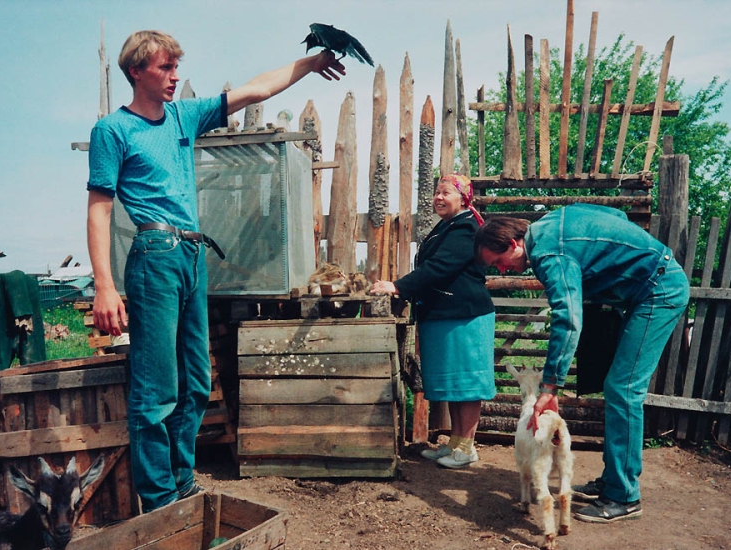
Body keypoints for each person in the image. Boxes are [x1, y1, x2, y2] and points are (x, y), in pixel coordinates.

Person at [86, 30, 345, 513]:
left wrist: (309, 65)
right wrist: (104, 284)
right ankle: (162, 500)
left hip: (190, 254)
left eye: (176, 67)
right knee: (156, 388)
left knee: (197, 383)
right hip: (153, 256)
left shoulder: (184, 116)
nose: (175, 76)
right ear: (136, 71)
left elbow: (256, 88)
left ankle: (182, 484)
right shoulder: (113, 130)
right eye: (165, 68)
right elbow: (99, 209)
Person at [474, 203, 689, 523]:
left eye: (499, 263)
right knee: (617, 386)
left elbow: (569, 318)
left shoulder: (548, 254)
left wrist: (549, 386)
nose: (502, 271)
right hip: (647, 288)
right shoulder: (551, 222)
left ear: (513, 244)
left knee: (624, 388)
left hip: (658, 290)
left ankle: (624, 496)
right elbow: (617, 217)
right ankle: (613, 481)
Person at [371, 173, 496, 469]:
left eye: (446, 193)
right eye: (437, 192)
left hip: (465, 316)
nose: (439, 198)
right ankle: (456, 443)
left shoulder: (466, 228)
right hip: (446, 315)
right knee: (454, 384)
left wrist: (399, 286)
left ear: (463, 198)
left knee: (466, 384)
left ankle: (466, 448)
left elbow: (441, 267)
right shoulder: (448, 225)